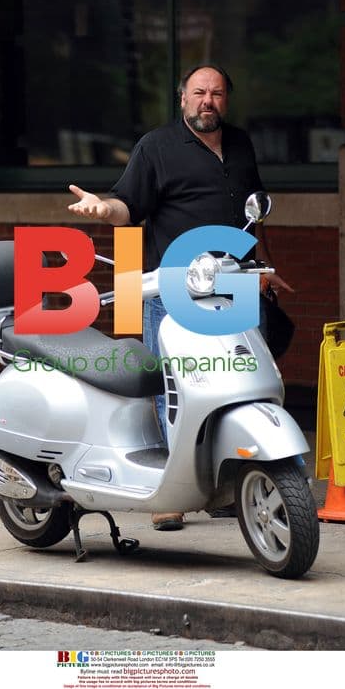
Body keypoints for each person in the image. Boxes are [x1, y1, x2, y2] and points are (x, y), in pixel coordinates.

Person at [68, 64, 293, 531]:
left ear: (226, 99)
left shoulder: (241, 143)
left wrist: (264, 269)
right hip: (175, 286)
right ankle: (169, 495)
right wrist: (102, 208)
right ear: (182, 99)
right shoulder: (156, 147)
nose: (207, 101)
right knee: (173, 386)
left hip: (233, 282)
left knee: (238, 379)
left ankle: (227, 484)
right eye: (198, 93)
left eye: (215, 93)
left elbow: (252, 216)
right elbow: (126, 203)